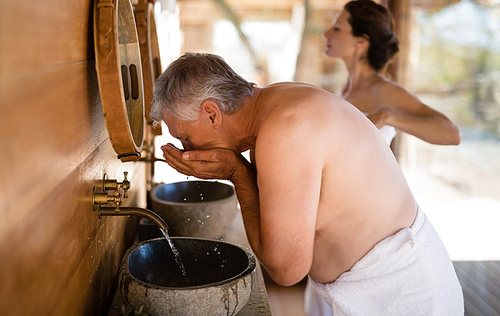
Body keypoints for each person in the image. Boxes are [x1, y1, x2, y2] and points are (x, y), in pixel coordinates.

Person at [150, 52, 464, 315]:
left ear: (211, 113)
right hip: (381, 283)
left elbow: (286, 270)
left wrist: (237, 173)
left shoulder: (284, 129)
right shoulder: (273, 103)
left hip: (402, 295)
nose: (187, 150)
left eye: (185, 137)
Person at [323, 0, 461, 146]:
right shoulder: (344, 90)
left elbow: (452, 134)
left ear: (361, 41)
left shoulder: (384, 90)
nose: (326, 33)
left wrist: (386, 117)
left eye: (337, 28)